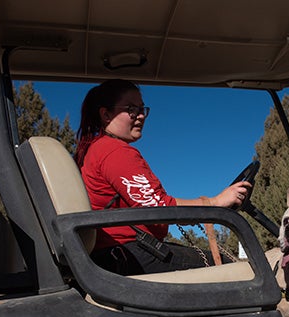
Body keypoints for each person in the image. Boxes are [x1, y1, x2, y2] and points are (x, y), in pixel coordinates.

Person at [76, 79, 251, 275]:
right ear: (106, 114)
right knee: (237, 269)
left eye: (142, 108)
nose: (141, 115)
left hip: (116, 255)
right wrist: (215, 202)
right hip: (126, 255)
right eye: (131, 109)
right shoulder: (114, 151)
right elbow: (159, 209)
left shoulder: (95, 151)